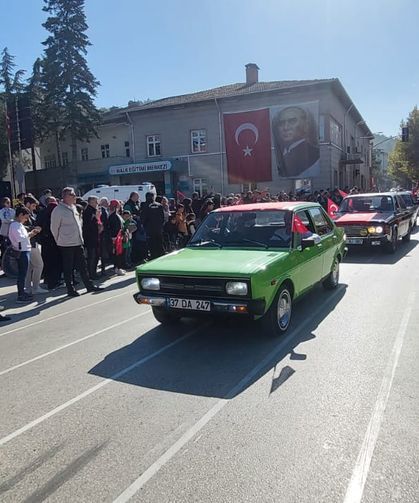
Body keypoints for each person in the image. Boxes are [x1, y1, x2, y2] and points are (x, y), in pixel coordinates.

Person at [50, 187, 103, 297]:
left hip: (78, 241)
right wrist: (60, 240)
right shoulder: (58, 210)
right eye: (72, 195)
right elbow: (54, 228)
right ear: (65, 196)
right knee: (68, 267)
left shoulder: (73, 208)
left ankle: (89, 285)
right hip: (66, 243)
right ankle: (70, 289)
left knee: (83, 266)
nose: (74, 196)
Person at [272, 105, 320, 178]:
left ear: (306, 126)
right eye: (281, 123)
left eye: (292, 121)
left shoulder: (313, 153)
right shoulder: (281, 155)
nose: (285, 127)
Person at [9, 206, 41, 303]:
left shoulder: (18, 224)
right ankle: (21, 295)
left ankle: (22, 293)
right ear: (20, 215)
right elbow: (20, 238)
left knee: (24, 273)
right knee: (22, 274)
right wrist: (30, 234)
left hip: (24, 250)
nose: (26, 219)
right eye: (25, 217)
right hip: (21, 251)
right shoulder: (15, 225)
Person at [37, 198, 63, 290]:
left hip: (44, 241)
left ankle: (47, 280)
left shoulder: (41, 212)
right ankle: (54, 282)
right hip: (54, 240)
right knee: (55, 262)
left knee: (47, 262)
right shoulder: (54, 211)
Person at [24, 196, 44, 295]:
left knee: (30, 267)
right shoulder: (25, 214)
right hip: (31, 242)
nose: (34, 208)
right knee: (39, 265)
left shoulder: (30, 214)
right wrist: (36, 229)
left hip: (30, 242)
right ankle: (35, 287)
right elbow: (23, 227)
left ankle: (28, 287)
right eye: (33, 205)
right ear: (27, 204)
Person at [141, 192, 165, 259]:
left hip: (149, 229)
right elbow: (162, 218)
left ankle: (153, 257)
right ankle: (161, 257)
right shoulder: (159, 205)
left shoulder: (145, 205)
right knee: (160, 244)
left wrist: (144, 225)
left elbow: (143, 218)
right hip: (158, 229)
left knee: (152, 245)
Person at [82, 196, 101, 279]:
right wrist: (97, 219)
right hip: (90, 238)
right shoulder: (88, 211)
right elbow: (88, 225)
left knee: (96, 256)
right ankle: (91, 274)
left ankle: (94, 272)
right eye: (95, 202)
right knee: (92, 256)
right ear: (90, 202)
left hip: (95, 236)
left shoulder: (94, 210)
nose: (97, 203)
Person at [108, 199, 125, 275]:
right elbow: (114, 227)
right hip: (116, 237)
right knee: (117, 253)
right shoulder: (113, 216)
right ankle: (117, 268)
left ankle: (117, 267)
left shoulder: (115, 215)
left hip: (118, 236)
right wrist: (114, 237)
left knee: (118, 253)